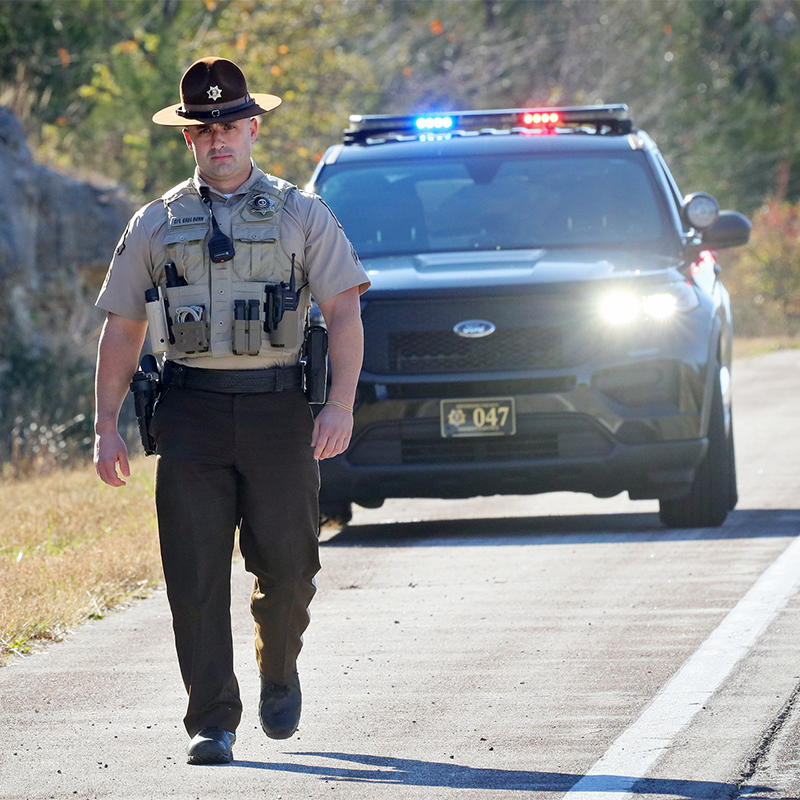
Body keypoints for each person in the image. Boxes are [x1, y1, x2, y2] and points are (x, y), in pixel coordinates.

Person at [93, 56, 369, 766]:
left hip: (279, 409)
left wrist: (338, 404)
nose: (218, 138)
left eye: (229, 125)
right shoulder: (155, 223)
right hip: (190, 412)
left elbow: (343, 310)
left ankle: (278, 669)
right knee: (194, 575)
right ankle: (211, 719)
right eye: (203, 128)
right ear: (189, 139)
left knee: (291, 568)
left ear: (252, 128)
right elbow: (122, 327)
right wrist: (105, 426)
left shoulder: (302, 214)